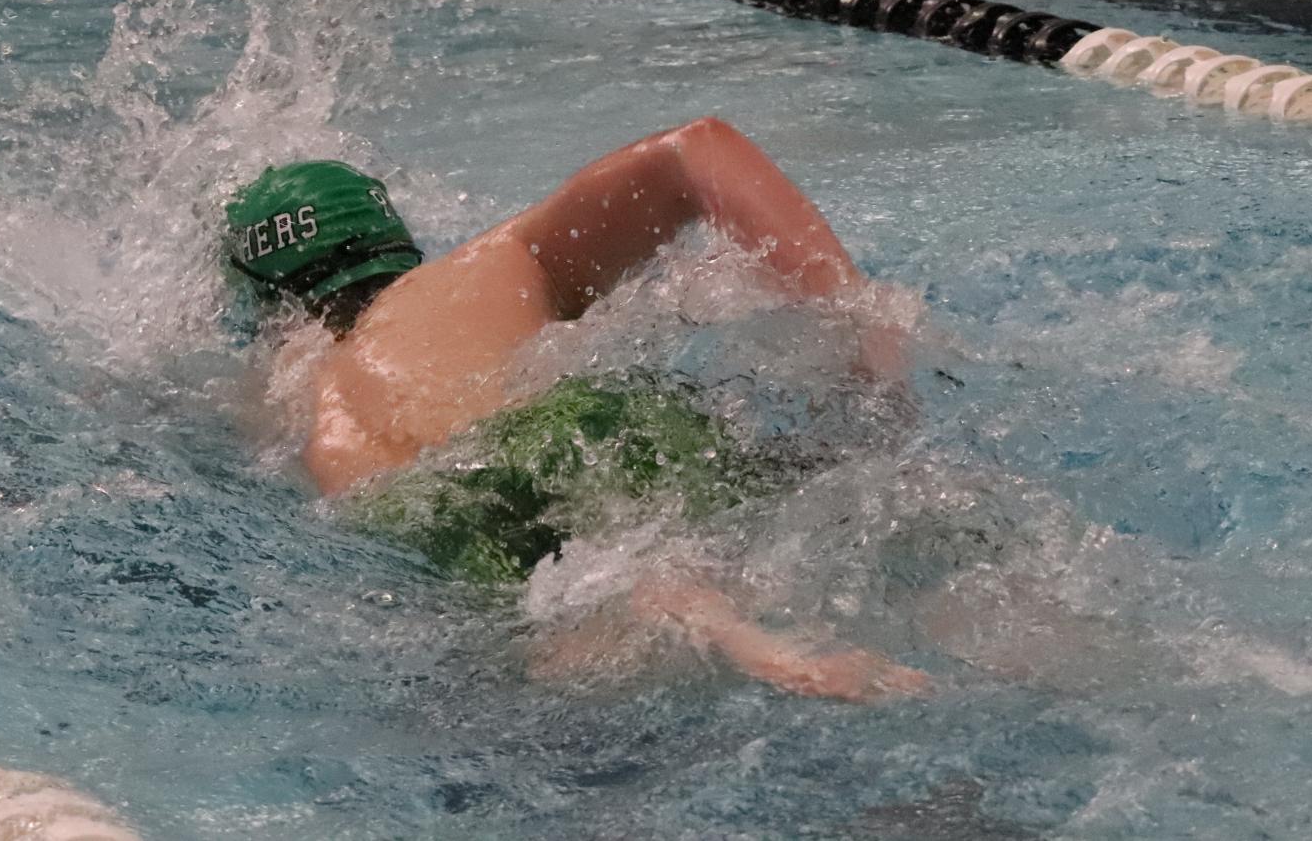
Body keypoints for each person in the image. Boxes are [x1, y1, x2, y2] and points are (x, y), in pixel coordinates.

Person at [229, 117, 929, 702]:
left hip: (424, 513)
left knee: (569, 628)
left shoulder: (300, 411)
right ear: (392, 240)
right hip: (563, 431)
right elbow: (694, 148)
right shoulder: (479, 270)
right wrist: (858, 322)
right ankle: (716, 616)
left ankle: (670, 615)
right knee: (820, 480)